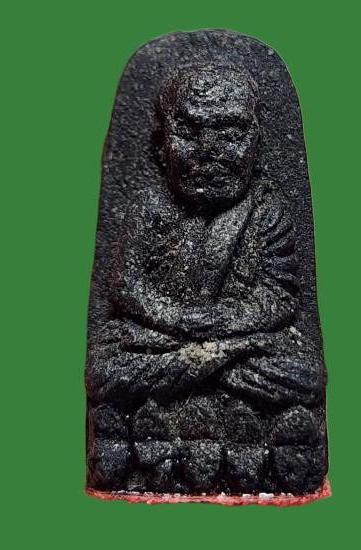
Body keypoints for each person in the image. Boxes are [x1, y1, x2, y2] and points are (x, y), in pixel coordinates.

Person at [86, 64, 326, 492]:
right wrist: (176, 318)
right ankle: (218, 403)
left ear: (256, 143)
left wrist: (224, 325)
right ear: (161, 145)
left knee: (303, 372)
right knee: (105, 367)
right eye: (189, 132)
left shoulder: (266, 211)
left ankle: (169, 407)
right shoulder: (151, 205)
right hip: (164, 336)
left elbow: (280, 295)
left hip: (239, 341)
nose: (208, 151)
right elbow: (125, 285)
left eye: (230, 134)